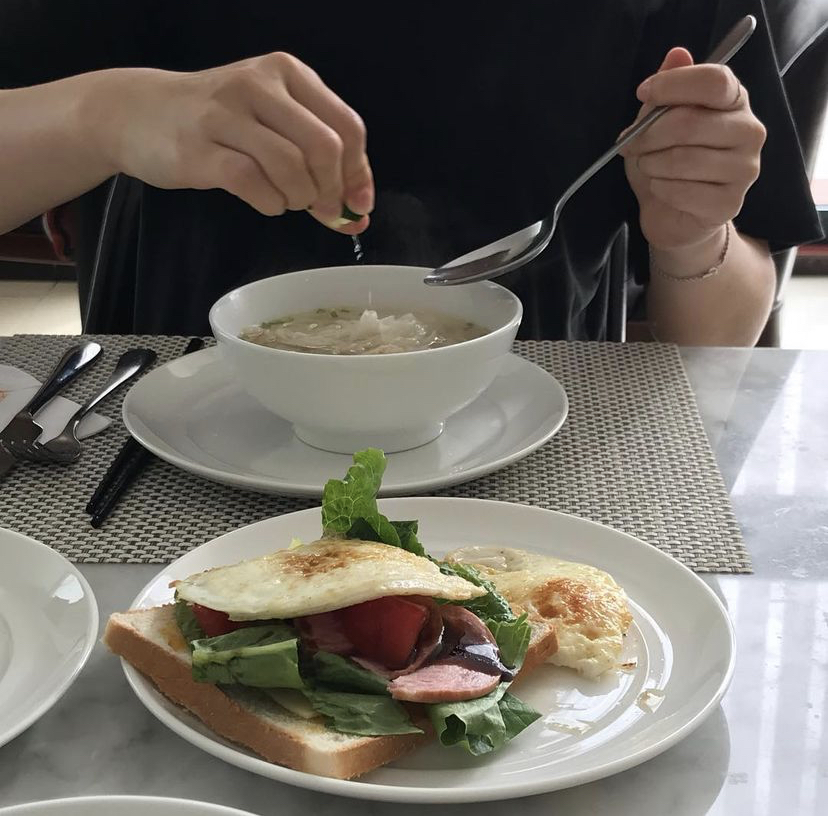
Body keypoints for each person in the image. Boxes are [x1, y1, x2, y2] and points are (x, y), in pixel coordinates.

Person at [0, 0, 821, 345]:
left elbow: (722, 330)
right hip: (165, 447)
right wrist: (99, 114)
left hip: (538, 463)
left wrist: (693, 235)